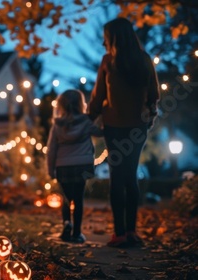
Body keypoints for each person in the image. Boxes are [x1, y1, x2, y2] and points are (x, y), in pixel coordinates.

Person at [88, 17, 159, 247]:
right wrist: (148, 116)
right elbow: (154, 94)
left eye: (106, 37)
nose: (103, 41)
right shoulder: (145, 60)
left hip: (115, 126)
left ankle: (120, 233)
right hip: (137, 126)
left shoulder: (108, 61)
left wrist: (87, 119)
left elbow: (98, 96)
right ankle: (131, 232)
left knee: (117, 177)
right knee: (130, 176)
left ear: (113, 37)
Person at [47, 89, 103, 243]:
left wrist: (50, 170)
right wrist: (100, 117)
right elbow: (100, 132)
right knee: (78, 199)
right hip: (82, 165)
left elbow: (51, 149)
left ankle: (66, 225)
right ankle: (77, 233)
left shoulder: (57, 125)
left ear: (61, 105)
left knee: (66, 199)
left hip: (63, 166)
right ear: (80, 103)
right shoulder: (86, 122)